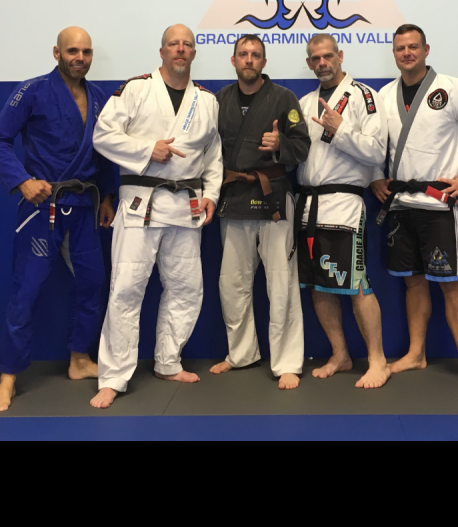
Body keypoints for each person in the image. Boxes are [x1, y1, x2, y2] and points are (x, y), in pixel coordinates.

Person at [90, 24, 222, 408]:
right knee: (126, 289)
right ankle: (113, 377)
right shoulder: (136, 89)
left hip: (186, 206)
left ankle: (168, 361)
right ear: (161, 51)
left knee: (186, 288)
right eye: (173, 44)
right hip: (140, 204)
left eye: (187, 44)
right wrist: (148, 150)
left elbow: (213, 154)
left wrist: (212, 194)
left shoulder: (206, 100)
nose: (180, 49)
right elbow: (103, 135)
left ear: (193, 53)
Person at [371, 23, 458, 394]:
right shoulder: (384, 95)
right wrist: (374, 177)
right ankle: (416, 353)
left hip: (439, 203)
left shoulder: (452, 88)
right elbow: (373, 144)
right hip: (400, 204)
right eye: (400, 48)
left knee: (452, 285)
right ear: (394, 54)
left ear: (426, 50)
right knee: (412, 282)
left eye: (413, 47)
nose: (407, 53)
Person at [0, 27, 115, 412]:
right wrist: (22, 180)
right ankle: (8, 374)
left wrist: (108, 195)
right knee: (26, 290)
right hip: (42, 205)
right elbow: (1, 139)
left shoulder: (99, 97)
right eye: (72, 51)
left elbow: (105, 152)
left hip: (84, 205)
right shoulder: (31, 90)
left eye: (86, 52)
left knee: (93, 284)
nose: (79, 58)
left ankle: (79, 359)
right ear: (56, 53)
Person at [210, 34, 310, 389]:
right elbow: (207, 150)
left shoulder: (283, 98)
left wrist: (281, 143)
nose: (249, 59)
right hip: (234, 197)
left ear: (264, 62)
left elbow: (303, 146)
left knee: (281, 282)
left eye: (255, 55)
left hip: (274, 199)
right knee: (232, 283)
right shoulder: (219, 100)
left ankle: (287, 362)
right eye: (243, 54)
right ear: (233, 60)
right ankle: (241, 353)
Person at [296, 33, 390, 388]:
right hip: (309, 204)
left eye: (327, 56)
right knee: (318, 284)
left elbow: (377, 151)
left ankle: (378, 360)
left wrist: (340, 130)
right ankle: (340, 354)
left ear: (340, 56)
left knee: (357, 284)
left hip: (345, 204)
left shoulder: (364, 96)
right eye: (315, 58)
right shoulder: (305, 102)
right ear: (309, 63)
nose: (322, 63)